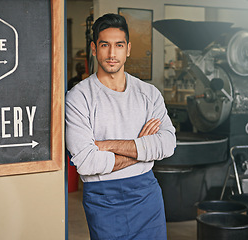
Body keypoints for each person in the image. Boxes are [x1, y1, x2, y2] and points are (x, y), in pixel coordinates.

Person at [65, 13, 176, 240]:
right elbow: (86, 162)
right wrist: (143, 149)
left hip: (147, 194)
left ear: (128, 49)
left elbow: (168, 144)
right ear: (94, 49)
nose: (112, 53)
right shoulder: (78, 98)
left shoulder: (148, 94)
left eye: (119, 45)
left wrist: (107, 146)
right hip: (103, 198)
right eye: (105, 45)